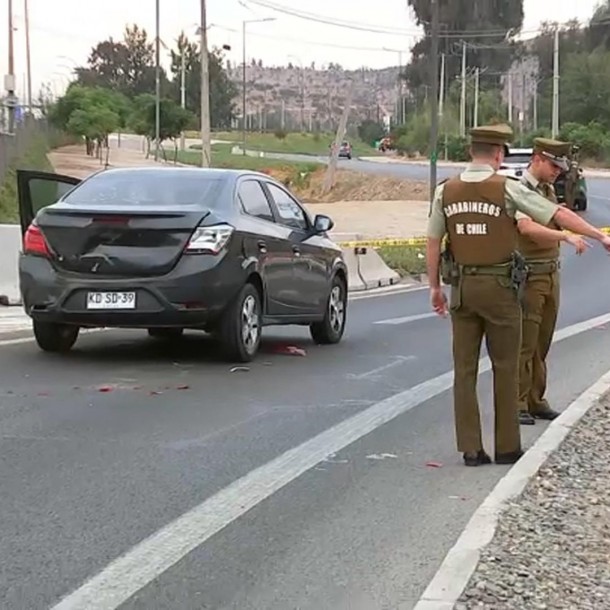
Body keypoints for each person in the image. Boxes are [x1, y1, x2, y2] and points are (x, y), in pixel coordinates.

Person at [426, 124, 610, 467]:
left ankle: (470, 449)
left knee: (464, 370)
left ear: (470, 152)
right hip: (500, 290)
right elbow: (557, 214)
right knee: (506, 366)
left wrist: (435, 287)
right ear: (498, 154)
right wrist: (598, 236)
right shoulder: (506, 188)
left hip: (462, 290)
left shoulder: (445, 191)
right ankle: (507, 446)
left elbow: (433, 240)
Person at [514, 138, 602, 424]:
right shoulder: (520, 190)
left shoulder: (547, 190)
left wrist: (593, 235)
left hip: (550, 273)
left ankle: (536, 399)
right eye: (553, 165)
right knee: (525, 343)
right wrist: (563, 236)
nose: (557, 171)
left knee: (543, 341)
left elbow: (561, 215)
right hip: (529, 274)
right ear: (537, 158)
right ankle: (517, 403)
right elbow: (526, 228)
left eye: (560, 166)